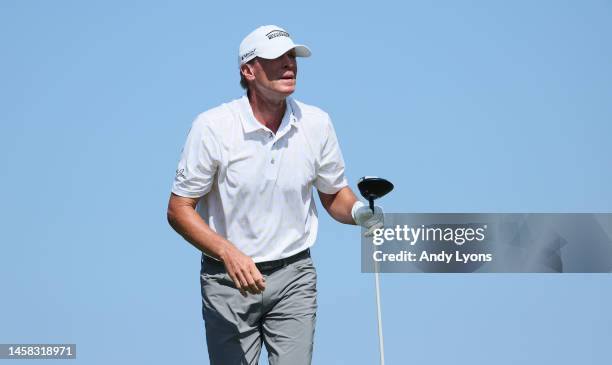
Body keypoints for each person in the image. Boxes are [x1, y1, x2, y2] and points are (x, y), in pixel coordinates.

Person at [167, 25, 383, 365]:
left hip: (294, 275)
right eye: (276, 59)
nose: (289, 65)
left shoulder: (317, 123)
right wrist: (228, 253)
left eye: (292, 57)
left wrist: (358, 212)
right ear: (248, 70)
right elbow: (179, 209)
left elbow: (333, 195)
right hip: (227, 279)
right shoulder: (212, 126)